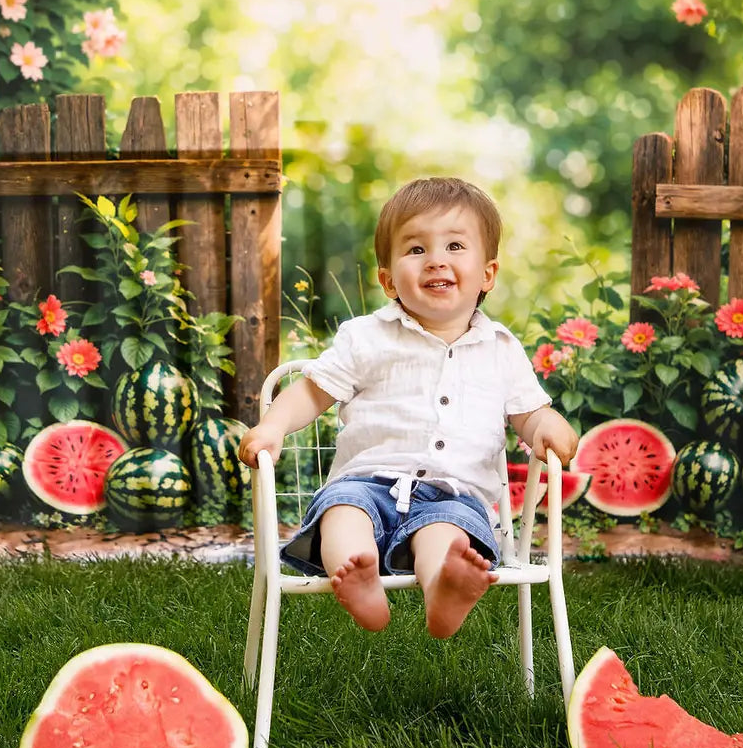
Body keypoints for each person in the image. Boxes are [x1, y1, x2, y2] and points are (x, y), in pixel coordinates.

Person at [239, 177, 578, 639]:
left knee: (447, 533)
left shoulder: (501, 348)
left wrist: (547, 424)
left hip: (455, 494)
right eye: (416, 249)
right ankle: (358, 578)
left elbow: (527, 413)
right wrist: (274, 425)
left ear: (487, 274)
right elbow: (314, 391)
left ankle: (444, 589)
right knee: (342, 513)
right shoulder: (366, 337)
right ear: (387, 279)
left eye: (455, 245)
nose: (436, 259)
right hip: (366, 482)